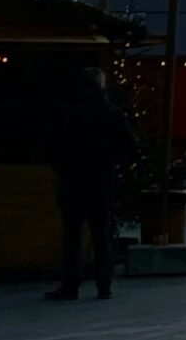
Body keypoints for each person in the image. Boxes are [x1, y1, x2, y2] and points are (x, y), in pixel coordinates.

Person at [48, 66, 134, 302]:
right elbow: (129, 148)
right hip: (102, 182)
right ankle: (104, 284)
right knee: (101, 236)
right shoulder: (113, 114)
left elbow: (57, 148)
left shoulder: (70, 114)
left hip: (73, 183)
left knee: (72, 237)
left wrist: (64, 170)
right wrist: (115, 168)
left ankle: (71, 285)